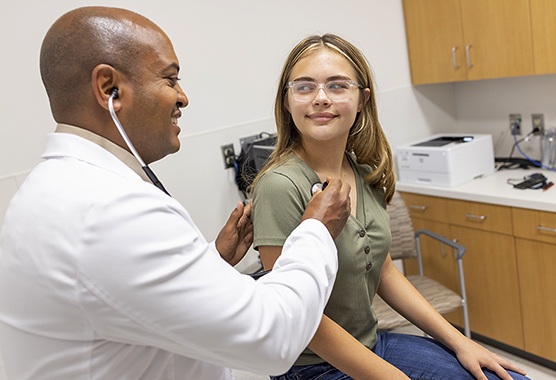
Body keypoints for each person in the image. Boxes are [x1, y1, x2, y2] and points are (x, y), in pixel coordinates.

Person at [0, 8, 353, 380]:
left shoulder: (51, 189)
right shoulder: (111, 210)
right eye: (170, 80)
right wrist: (315, 230)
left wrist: (211, 262)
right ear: (108, 88)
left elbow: (125, 298)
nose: (182, 98)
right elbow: (273, 339)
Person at [250, 34, 529, 380]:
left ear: (362, 99)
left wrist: (461, 342)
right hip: (314, 366)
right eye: (304, 87)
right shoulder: (280, 186)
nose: (321, 98)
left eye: (338, 86)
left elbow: (385, 273)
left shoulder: (364, 172)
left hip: (372, 343)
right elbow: (295, 315)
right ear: (288, 100)